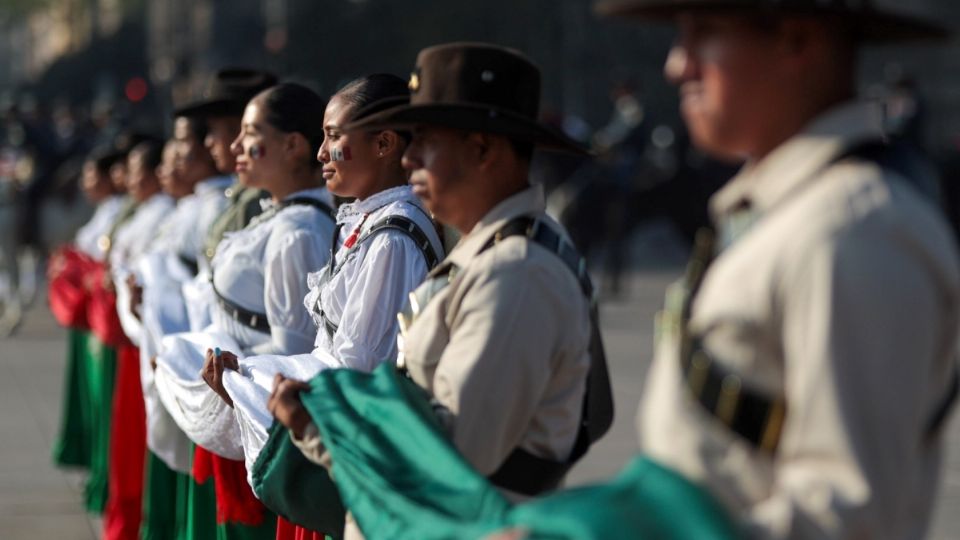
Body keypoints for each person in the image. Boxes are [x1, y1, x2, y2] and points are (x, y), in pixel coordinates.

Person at [599, 1, 959, 538]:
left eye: (705, 32)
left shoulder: (850, 233)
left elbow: (848, 517)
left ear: (796, 40)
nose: (678, 64)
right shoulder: (788, 212)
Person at [267, 43, 608, 539]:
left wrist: (318, 425)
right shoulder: (484, 251)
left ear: (482, 150)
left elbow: (447, 455)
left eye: (425, 141)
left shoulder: (513, 273)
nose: (409, 156)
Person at [206, 73, 445, 539]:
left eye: (334, 137)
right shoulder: (367, 222)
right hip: (326, 434)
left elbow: (356, 375)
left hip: (344, 450)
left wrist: (265, 383)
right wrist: (253, 376)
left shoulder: (392, 240)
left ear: (383, 144)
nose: (322, 153)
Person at [153, 82, 335, 540]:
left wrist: (238, 378)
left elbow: (293, 354)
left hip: (254, 414)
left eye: (250, 132)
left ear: (294, 146)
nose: (235, 145)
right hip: (231, 395)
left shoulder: (300, 231)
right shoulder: (279, 215)